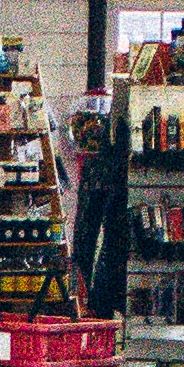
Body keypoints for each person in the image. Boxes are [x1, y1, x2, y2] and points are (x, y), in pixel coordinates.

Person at [71, 84, 130, 317]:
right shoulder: (103, 161)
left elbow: (86, 237)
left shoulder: (97, 164)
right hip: (110, 172)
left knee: (96, 241)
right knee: (98, 242)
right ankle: (92, 304)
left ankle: (92, 304)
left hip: (107, 173)